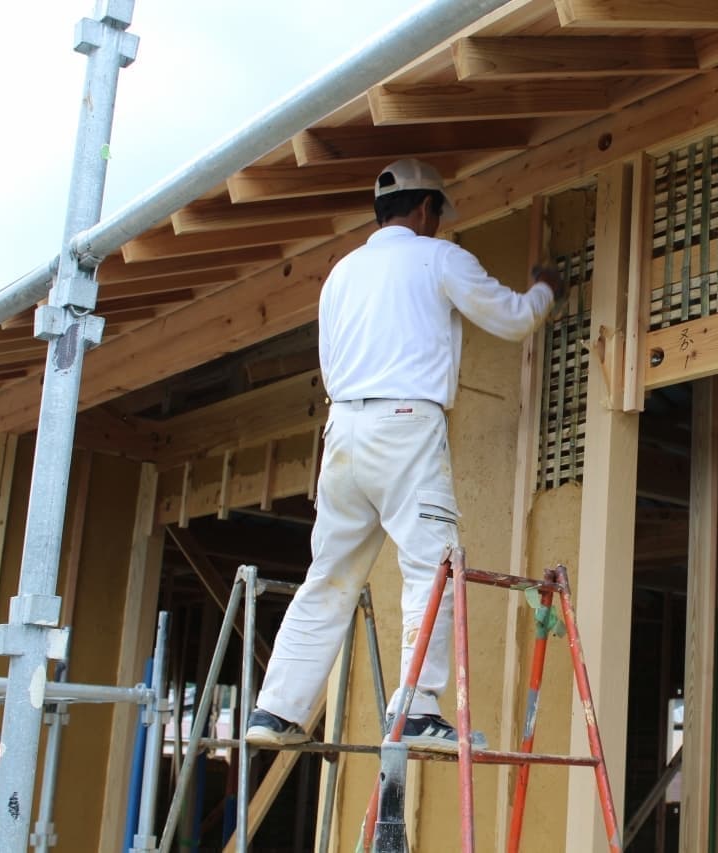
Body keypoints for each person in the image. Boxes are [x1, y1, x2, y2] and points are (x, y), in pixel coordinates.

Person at [245, 159, 562, 752]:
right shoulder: (438, 257)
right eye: (437, 214)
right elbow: (512, 318)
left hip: (343, 430)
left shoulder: (340, 274)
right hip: (405, 425)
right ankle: (416, 709)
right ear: (424, 209)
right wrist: (546, 289)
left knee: (329, 575)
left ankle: (275, 711)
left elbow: (331, 358)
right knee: (431, 566)